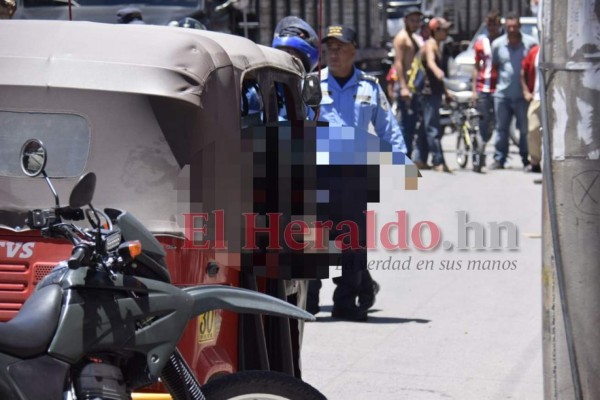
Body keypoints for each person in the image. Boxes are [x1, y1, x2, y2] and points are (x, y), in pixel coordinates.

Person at [318, 25, 406, 321]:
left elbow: (387, 125)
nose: (334, 53)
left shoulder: (369, 87)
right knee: (314, 239)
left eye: (340, 47)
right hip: (317, 172)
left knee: (351, 240)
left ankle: (346, 299)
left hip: (354, 175)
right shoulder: (313, 84)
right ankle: (308, 301)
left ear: (354, 50)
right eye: (330, 47)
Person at [489, 12, 538, 170]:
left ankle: (526, 159)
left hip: (522, 95)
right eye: (508, 26)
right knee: (501, 129)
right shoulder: (497, 45)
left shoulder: (530, 44)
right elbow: (494, 67)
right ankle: (499, 158)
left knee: (524, 130)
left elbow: (531, 69)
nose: (511, 29)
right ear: (505, 27)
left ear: (519, 27)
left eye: (514, 26)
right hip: (502, 94)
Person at [393, 7, 428, 168]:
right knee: (405, 124)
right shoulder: (402, 38)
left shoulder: (413, 37)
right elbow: (399, 63)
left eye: (417, 20)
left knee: (412, 123)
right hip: (406, 87)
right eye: (412, 20)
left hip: (414, 86)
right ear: (405, 20)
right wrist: (403, 87)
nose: (416, 23)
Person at [471, 10, 502, 172]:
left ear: (499, 25)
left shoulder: (504, 42)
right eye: (489, 24)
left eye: (494, 24)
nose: (492, 27)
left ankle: (498, 156)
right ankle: (480, 153)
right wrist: (474, 90)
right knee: (483, 121)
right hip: (484, 87)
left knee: (499, 124)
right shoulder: (480, 43)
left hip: (499, 88)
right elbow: (476, 67)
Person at [421, 17, 452, 172]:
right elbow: (431, 62)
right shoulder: (430, 46)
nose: (447, 32)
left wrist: (446, 92)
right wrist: (437, 71)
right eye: (444, 29)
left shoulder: (439, 45)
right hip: (428, 92)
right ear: (435, 31)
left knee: (425, 127)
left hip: (435, 91)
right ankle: (438, 161)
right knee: (433, 127)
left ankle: (418, 158)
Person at [521, 43, 542, 173]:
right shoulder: (535, 51)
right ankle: (535, 161)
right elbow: (522, 71)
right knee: (533, 128)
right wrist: (526, 91)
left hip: (556, 97)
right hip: (537, 97)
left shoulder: (559, 49)